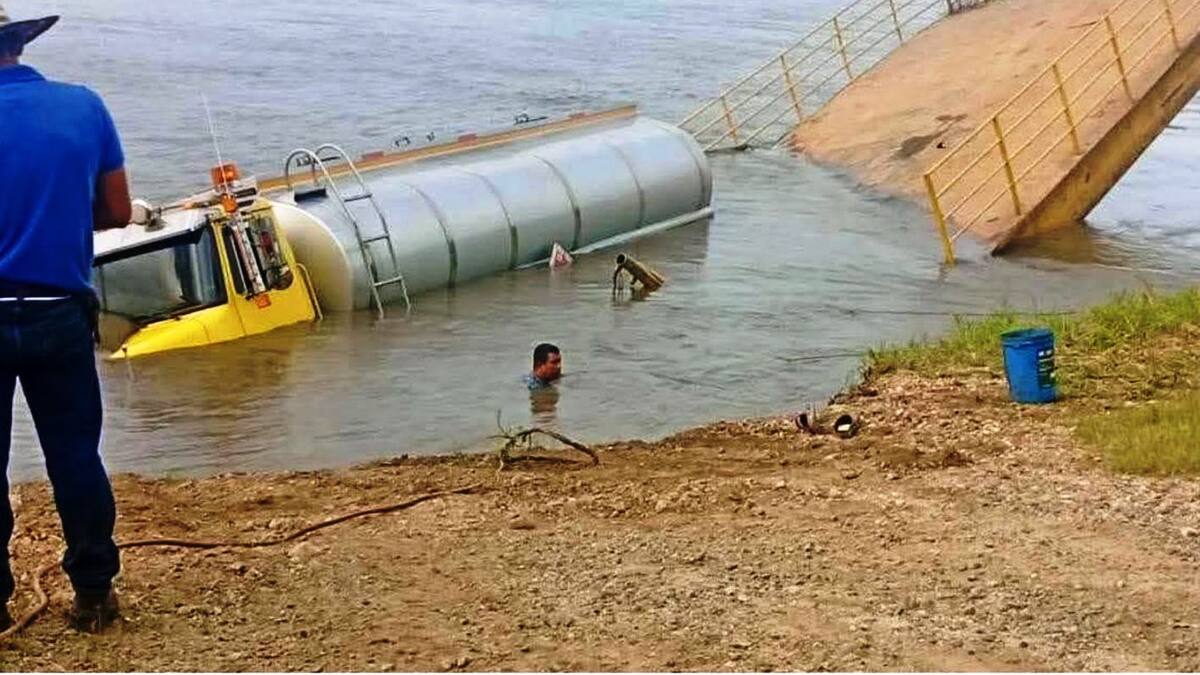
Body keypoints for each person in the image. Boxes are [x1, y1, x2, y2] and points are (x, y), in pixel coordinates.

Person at [0, 5, 131, 633]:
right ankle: (93, 593)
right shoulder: (83, 106)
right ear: (17, 45)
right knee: (76, 455)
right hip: (58, 308)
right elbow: (118, 211)